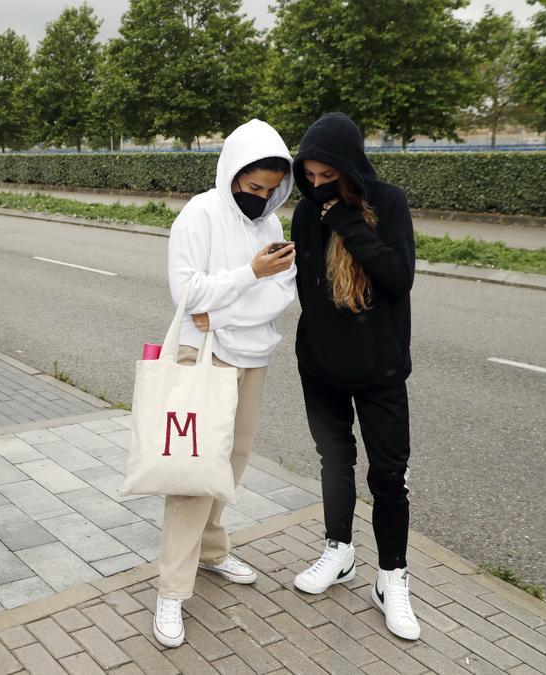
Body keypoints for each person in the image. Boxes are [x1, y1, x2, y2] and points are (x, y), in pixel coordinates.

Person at [153, 119, 297, 648]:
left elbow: (283, 295)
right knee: (194, 472)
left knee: (233, 460)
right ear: (231, 174)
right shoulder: (200, 214)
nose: (260, 198)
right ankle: (171, 590)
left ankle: (211, 551)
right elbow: (188, 295)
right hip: (203, 356)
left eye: (270, 190)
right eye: (251, 187)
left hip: (253, 355)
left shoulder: (272, 227)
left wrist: (228, 306)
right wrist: (248, 278)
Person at [289, 112, 420, 641]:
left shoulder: (387, 204)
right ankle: (338, 552)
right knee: (334, 460)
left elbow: (399, 277)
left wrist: (346, 220)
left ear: (351, 168)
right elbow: (304, 288)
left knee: (389, 475)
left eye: (329, 176)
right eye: (311, 177)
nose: (319, 187)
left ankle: (392, 579)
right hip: (321, 368)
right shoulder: (304, 213)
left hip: (380, 370)